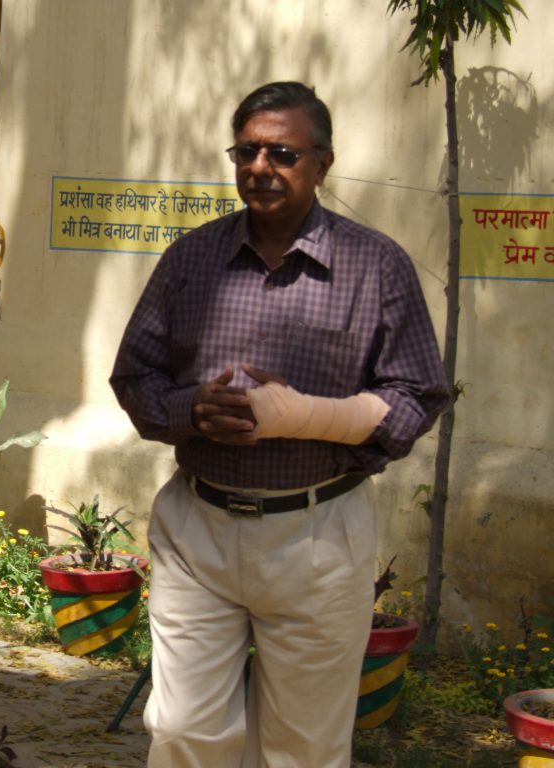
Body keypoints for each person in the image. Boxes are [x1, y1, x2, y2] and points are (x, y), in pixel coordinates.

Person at [109, 81, 449, 768]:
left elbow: (417, 395)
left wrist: (310, 419)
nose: (261, 167)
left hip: (318, 535)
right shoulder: (190, 260)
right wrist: (191, 411)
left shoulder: (376, 266)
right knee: (182, 733)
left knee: (304, 747)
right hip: (199, 531)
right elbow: (134, 376)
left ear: (322, 164)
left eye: (283, 153)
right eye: (247, 150)